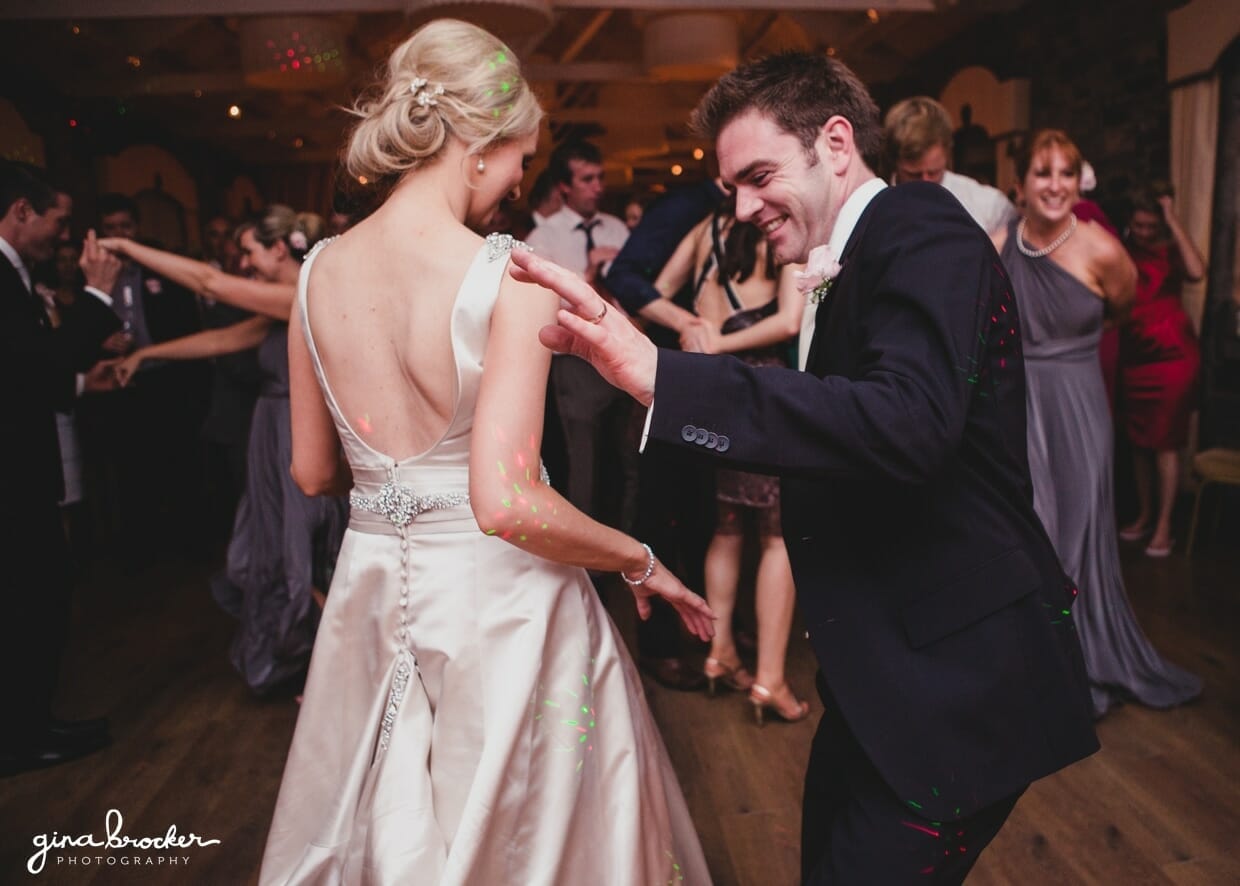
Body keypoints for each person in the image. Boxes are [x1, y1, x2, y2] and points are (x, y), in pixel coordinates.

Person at [513, 52, 1100, 883]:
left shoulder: (919, 224)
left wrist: (662, 378)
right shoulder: (845, 257)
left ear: (834, 141)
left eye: (758, 176)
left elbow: (907, 424)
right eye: (734, 188)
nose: (744, 207)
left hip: (955, 681)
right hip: (880, 670)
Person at [259, 20, 713, 884]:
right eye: (517, 159)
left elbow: (313, 472)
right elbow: (506, 504)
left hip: (368, 596)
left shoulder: (315, 272)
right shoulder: (504, 273)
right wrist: (640, 559)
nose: (515, 183)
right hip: (498, 607)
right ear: (474, 145)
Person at [994, 130, 1203, 718]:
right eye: (1043, 173)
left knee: (1079, 533)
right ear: (1021, 185)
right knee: (1034, 531)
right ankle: (1035, 663)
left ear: (1077, 181)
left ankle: (1080, 662)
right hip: (1021, 404)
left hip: (1080, 401)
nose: (1055, 184)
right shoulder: (997, 244)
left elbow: (1121, 307)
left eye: (1066, 172)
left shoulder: (1104, 249)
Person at [101, 207, 348, 695]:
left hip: (299, 436)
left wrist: (128, 248)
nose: (244, 261)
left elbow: (209, 284)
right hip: (269, 437)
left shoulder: (303, 294)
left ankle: (339, 671)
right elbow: (221, 338)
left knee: (303, 559)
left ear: (279, 248)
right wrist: (147, 354)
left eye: (251, 251)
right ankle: (323, 666)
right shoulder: (278, 307)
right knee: (267, 556)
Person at [652, 202, 807, 721]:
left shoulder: (706, 228)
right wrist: (722, 340)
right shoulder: (779, 233)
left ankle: (720, 655)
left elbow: (656, 289)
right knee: (777, 535)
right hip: (759, 392)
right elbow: (789, 321)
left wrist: (693, 330)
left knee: (727, 528)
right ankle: (770, 680)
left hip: (710, 394)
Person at [1, 160, 122, 776]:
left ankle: (30, 722)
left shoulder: (14, 271)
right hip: (11, 483)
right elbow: (36, 366)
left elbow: (23, 374)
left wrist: (78, 381)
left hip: (20, 474)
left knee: (38, 599)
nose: (65, 236)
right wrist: (99, 295)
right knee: (31, 601)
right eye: (59, 220)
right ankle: (20, 738)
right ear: (22, 210)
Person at [604, 176, 728, 691]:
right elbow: (625, 275)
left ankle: (702, 628)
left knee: (702, 513)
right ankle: (656, 645)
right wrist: (683, 321)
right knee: (661, 511)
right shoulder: (689, 203)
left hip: (710, 383)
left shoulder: (733, 207)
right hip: (667, 380)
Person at [1117, 185, 1206, 557]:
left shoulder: (1171, 250)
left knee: (1165, 445)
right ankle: (1145, 515)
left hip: (1172, 359)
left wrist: (1172, 218)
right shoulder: (1120, 251)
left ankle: (1165, 525)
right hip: (1136, 359)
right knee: (1140, 443)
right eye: (1140, 226)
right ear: (1130, 223)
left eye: (1153, 226)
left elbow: (1197, 271)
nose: (1146, 232)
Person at [883, 96, 1017, 236]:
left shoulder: (989, 205)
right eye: (914, 175)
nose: (926, 183)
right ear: (895, 162)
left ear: (947, 153)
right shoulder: (876, 211)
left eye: (934, 172)